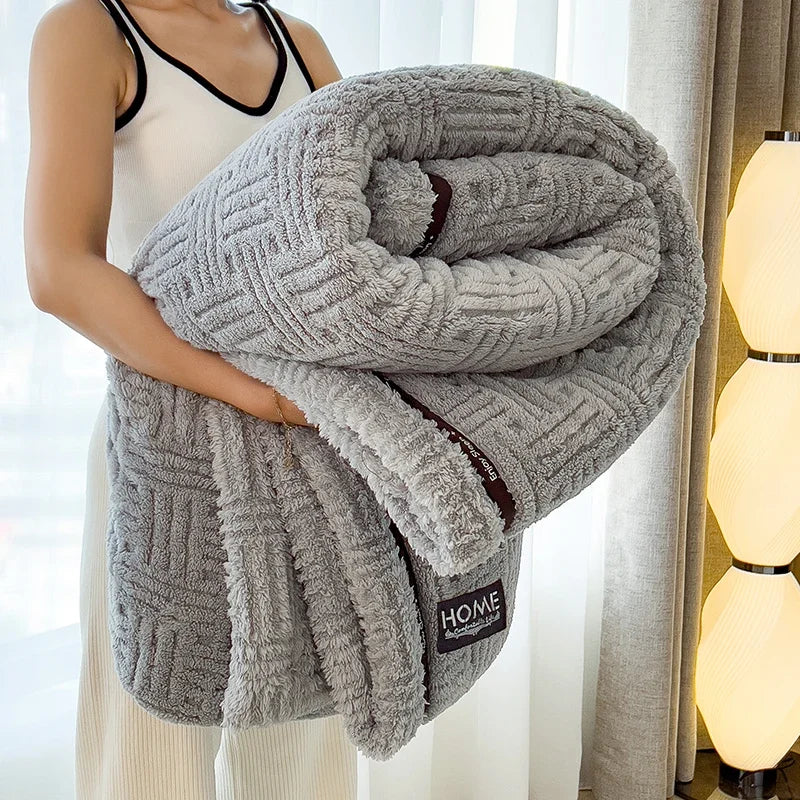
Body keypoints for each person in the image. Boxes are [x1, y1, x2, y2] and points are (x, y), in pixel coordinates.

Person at [23, 1, 357, 798]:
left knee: (308, 753)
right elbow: (59, 269)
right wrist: (250, 393)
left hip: (310, 444)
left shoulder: (297, 43)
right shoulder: (91, 31)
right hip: (168, 452)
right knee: (148, 760)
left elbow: (363, 237)